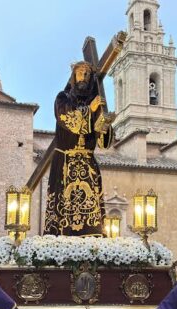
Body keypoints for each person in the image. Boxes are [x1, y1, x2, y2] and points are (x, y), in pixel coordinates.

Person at [43, 61, 115, 237]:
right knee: (62, 209)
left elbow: (103, 143)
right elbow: (68, 120)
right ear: (73, 76)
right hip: (64, 161)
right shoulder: (63, 98)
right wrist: (90, 109)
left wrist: (105, 125)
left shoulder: (96, 102)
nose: (83, 76)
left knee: (90, 210)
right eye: (80, 73)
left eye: (87, 73)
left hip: (87, 163)